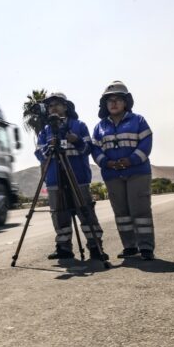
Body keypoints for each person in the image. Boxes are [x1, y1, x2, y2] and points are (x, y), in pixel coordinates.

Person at [34, 92, 106, 261]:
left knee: (86, 212)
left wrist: (75, 139)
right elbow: (38, 153)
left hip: (78, 177)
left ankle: (96, 247)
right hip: (54, 179)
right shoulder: (45, 131)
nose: (53, 108)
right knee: (59, 214)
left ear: (66, 106)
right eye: (50, 105)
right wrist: (48, 147)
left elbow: (88, 149)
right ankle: (64, 247)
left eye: (57, 104)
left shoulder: (79, 125)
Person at [90, 81, 156, 261]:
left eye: (118, 99)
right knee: (121, 212)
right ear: (105, 104)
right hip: (112, 174)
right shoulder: (99, 127)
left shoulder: (138, 120)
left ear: (126, 102)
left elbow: (146, 144)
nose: (113, 103)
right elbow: (95, 149)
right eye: (109, 100)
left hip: (138, 172)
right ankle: (129, 246)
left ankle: (146, 247)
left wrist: (131, 160)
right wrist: (107, 163)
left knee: (140, 211)